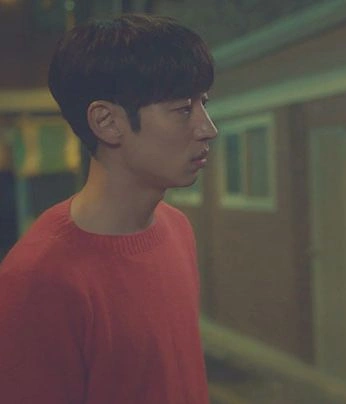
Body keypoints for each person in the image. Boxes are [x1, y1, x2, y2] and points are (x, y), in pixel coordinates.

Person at [0, 14, 218, 403]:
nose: (208, 128)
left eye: (204, 103)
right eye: (183, 109)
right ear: (107, 122)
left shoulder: (177, 228)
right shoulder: (38, 279)